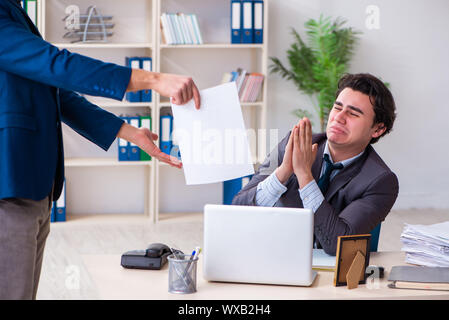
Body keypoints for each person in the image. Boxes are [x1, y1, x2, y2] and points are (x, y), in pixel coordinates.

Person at [0, 0, 200, 299]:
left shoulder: (14, 8)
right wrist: (153, 80)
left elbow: (56, 91)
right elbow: (56, 63)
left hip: (32, 186)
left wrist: (129, 132)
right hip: (9, 184)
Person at [233, 73, 399, 255]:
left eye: (353, 113)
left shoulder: (381, 181)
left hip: (330, 274)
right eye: (337, 108)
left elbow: (338, 245)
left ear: (378, 129)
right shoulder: (293, 143)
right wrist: (283, 172)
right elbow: (238, 210)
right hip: (274, 255)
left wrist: (304, 176)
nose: (339, 117)